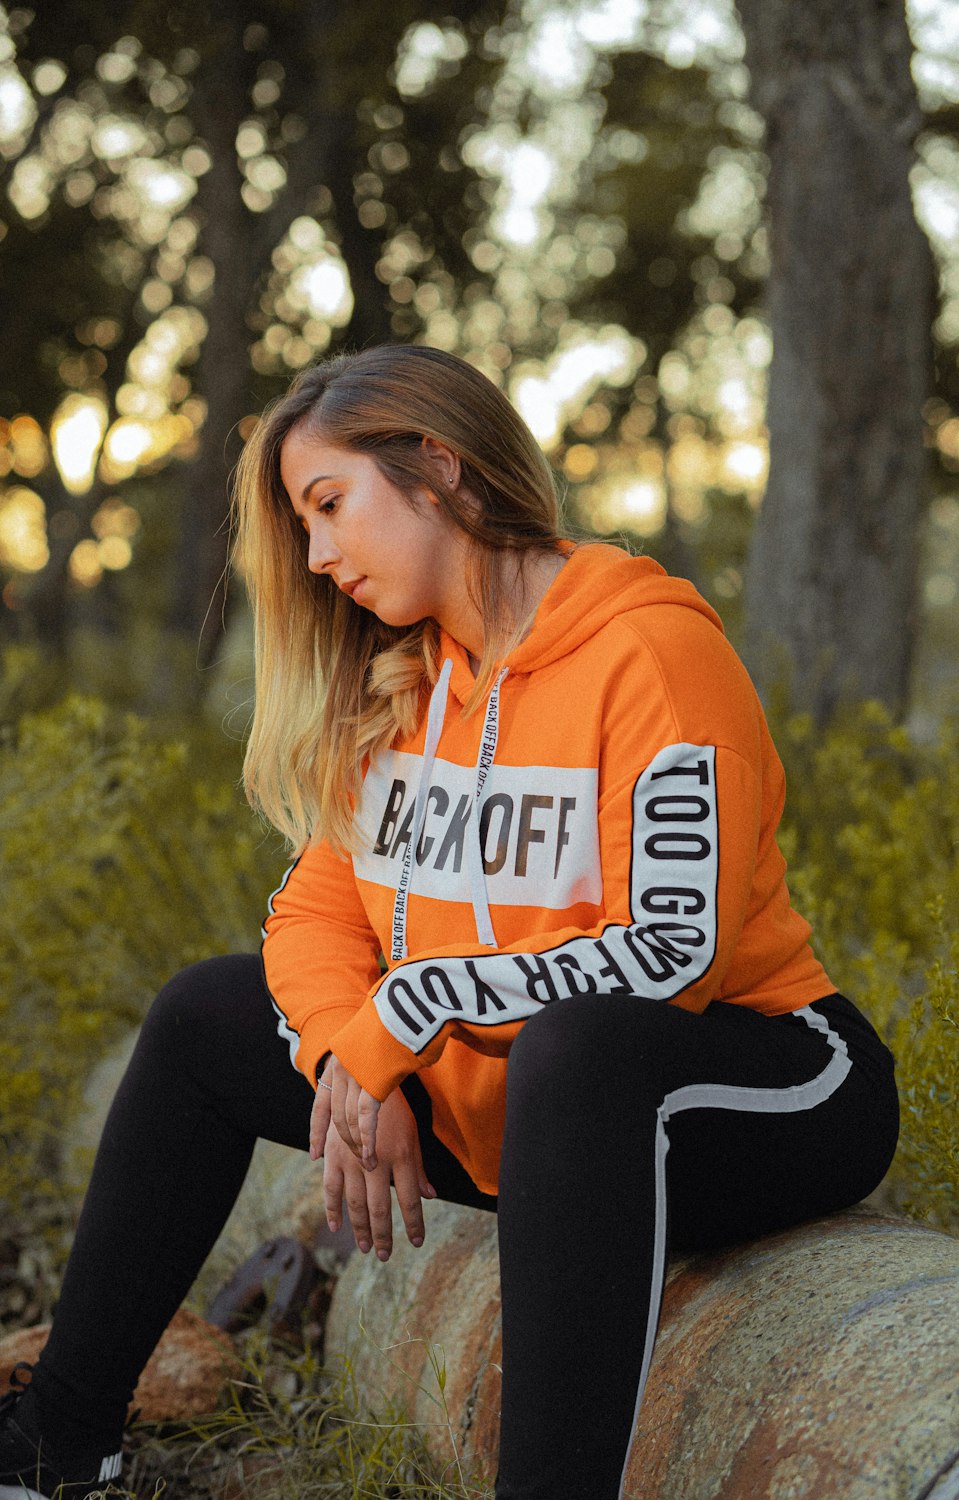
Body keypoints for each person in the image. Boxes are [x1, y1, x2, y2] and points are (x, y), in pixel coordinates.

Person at [0, 345, 899, 1500]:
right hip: (519, 1110)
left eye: (330, 506)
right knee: (200, 1017)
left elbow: (671, 954)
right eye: (303, 524)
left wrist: (406, 1011)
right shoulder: (409, 683)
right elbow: (313, 915)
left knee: (582, 1047)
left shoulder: (654, 653)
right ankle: (63, 1442)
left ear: (438, 466)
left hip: (756, 1088)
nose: (320, 559)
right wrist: (343, 1051)